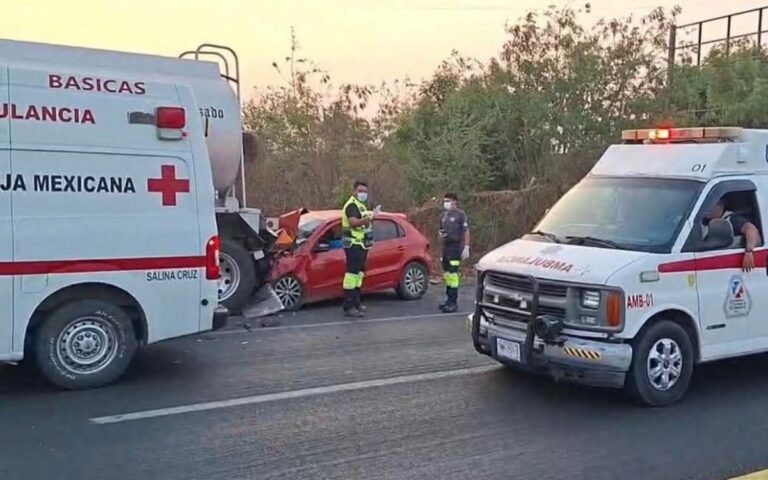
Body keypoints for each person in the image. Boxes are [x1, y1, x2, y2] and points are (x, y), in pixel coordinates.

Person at [341, 180, 374, 317]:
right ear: (354, 191)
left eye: (365, 192)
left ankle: (356, 303)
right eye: (361, 191)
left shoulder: (361, 205)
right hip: (353, 245)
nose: (363, 194)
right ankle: (349, 306)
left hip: (362, 245)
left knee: (359, 275)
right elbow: (354, 223)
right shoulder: (352, 205)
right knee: (351, 275)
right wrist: (367, 220)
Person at [703, 197, 760, 272]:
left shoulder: (732, 219)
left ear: (720, 206)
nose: (706, 209)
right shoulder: (702, 220)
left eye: (709, 205)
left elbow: (751, 229)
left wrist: (749, 251)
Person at [439, 193, 470, 313]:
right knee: (447, 274)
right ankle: (448, 299)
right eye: (445, 200)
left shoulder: (460, 215)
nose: (446, 203)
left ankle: (453, 302)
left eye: (448, 201)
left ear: (454, 202)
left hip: (455, 248)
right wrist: (441, 234)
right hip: (445, 247)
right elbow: (441, 229)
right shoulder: (444, 215)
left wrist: (466, 246)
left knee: (453, 274)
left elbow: (466, 231)